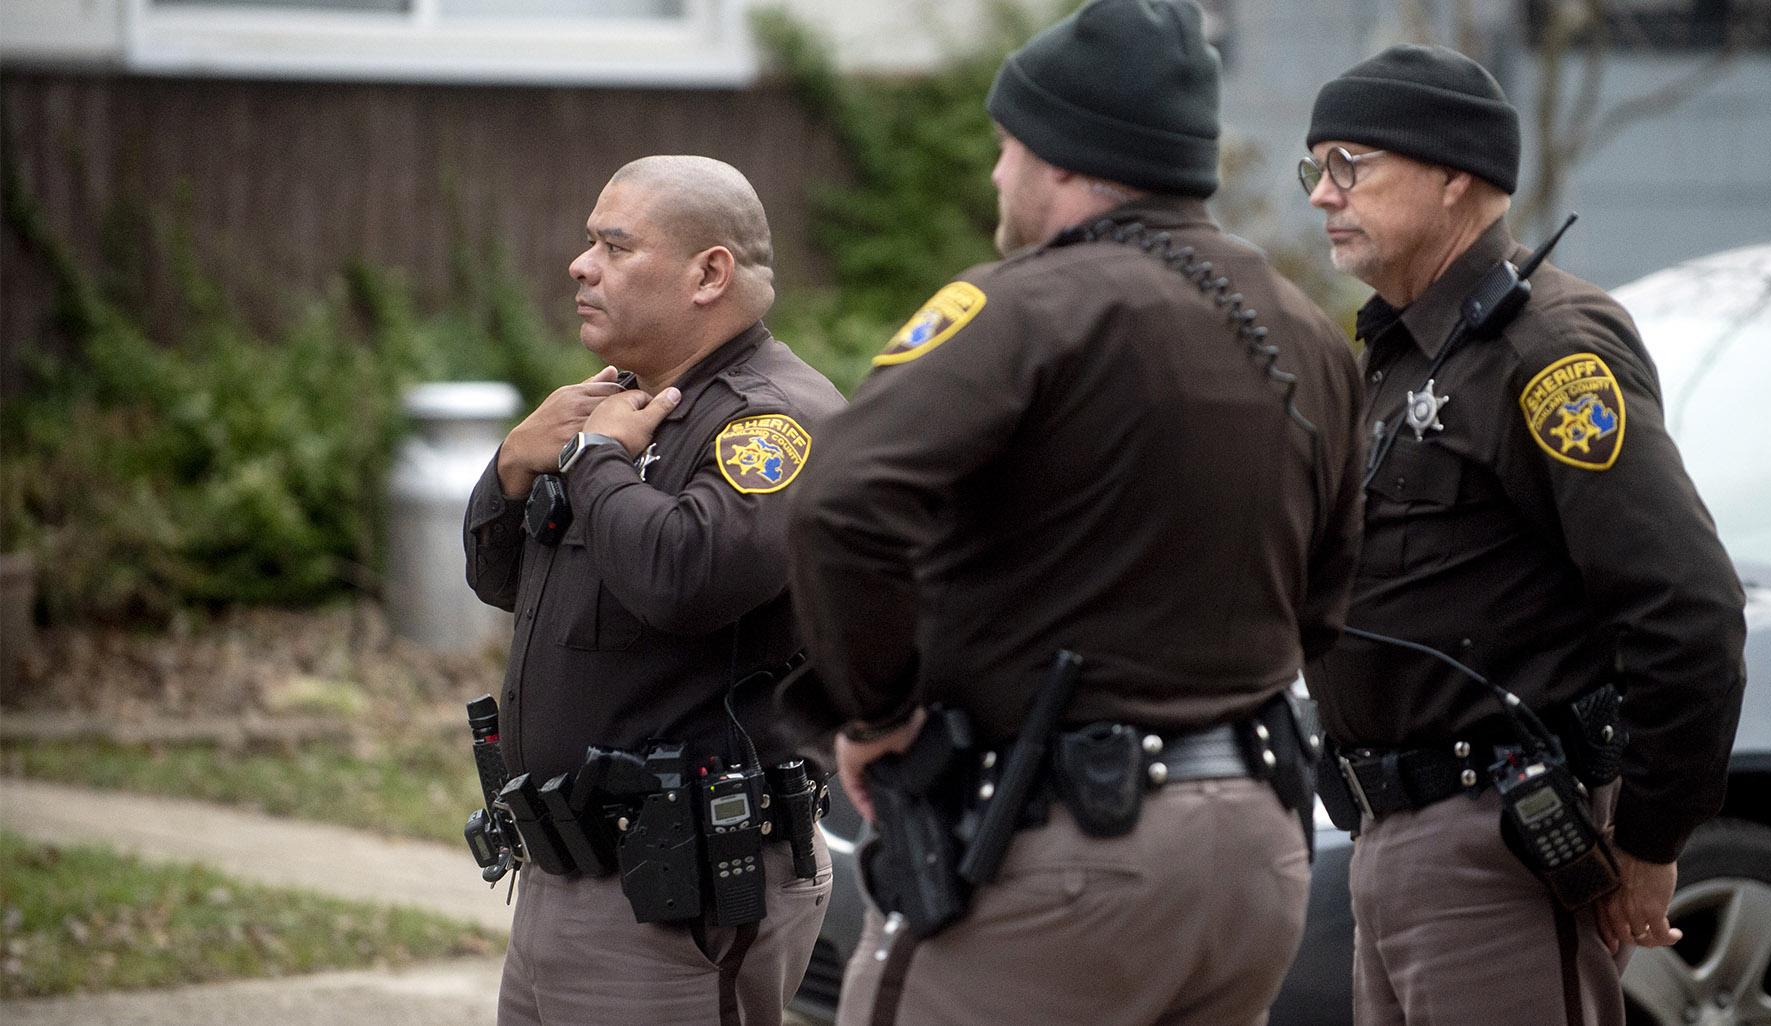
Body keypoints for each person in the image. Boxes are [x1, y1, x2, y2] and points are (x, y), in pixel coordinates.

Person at [783, 3, 1365, 1024]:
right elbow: (1329, 592)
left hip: (1066, 854)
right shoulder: (1311, 333)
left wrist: (877, 712)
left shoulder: (1024, 306)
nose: (996, 174)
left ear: (1062, 157)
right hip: (1256, 856)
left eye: (1008, 147)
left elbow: (840, 505)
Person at [1298, 44, 1748, 1026]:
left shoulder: (1549, 350)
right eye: (1313, 169)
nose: (1323, 195)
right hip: (1390, 840)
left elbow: (1687, 608)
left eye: (1350, 164)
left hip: (1497, 847)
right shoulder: (1396, 353)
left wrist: (1652, 838)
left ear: (1455, 174)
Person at [463, 154, 844, 1026]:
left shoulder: (772, 420)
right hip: (565, 875)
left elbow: (683, 578)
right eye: (588, 242)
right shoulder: (621, 403)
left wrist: (596, 462)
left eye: (613, 245)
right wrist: (517, 463)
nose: (580, 264)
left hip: (679, 897)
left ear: (709, 273)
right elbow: (502, 578)